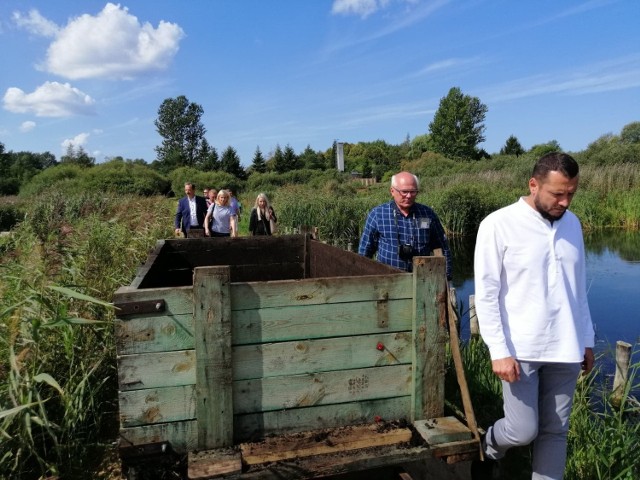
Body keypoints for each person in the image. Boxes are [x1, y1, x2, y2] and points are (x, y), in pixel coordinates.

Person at [472, 152, 595, 480]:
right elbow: (486, 294)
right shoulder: (498, 225)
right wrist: (498, 351)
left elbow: (577, 289)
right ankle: (490, 445)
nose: (565, 202)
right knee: (522, 430)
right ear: (533, 184)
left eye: (571, 193)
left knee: (555, 432)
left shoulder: (573, 225)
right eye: (557, 194)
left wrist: (586, 340)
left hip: (566, 349)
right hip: (520, 349)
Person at [358, 171, 451, 279]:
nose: (409, 196)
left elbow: (443, 248)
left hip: (422, 280)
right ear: (392, 191)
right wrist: (363, 281)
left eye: (413, 192)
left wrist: (447, 278)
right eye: (404, 192)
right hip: (388, 282)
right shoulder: (378, 215)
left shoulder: (427, 214)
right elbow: (364, 252)